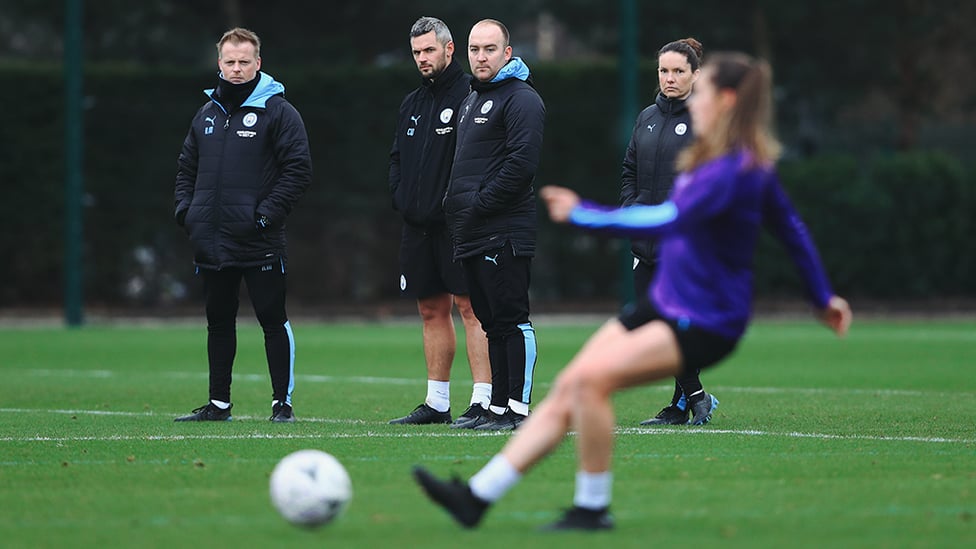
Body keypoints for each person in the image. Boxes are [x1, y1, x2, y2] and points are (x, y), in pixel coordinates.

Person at [413, 52, 852, 531]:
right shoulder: (718, 158)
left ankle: (591, 507)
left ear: (725, 100)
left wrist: (586, 215)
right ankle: (476, 497)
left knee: (591, 385)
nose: (690, 95)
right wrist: (823, 297)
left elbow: (669, 218)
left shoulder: (735, 169)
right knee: (571, 384)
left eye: (700, 89)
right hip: (664, 303)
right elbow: (792, 228)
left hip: (705, 320)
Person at [173, 27, 312, 423]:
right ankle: (219, 404)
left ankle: (281, 404)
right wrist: (188, 212)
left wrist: (265, 216)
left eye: (244, 62)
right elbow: (186, 169)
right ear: (219, 64)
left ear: (258, 64)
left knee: (272, 319)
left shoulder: (279, 112)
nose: (236, 69)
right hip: (212, 242)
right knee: (218, 323)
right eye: (230, 62)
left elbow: (298, 171)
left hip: (259, 240)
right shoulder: (205, 114)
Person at [440, 19, 546, 431]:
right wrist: (455, 207)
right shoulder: (471, 98)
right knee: (490, 322)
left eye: (489, 49)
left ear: (507, 53)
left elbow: (521, 166)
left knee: (512, 318)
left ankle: (518, 410)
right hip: (471, 230)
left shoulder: (522, 99)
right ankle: (497, 408)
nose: (480, 57)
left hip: (504, 230)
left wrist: (480, 204)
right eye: (474, 49)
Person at [387, 16, 492, 426]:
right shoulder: (412, 102)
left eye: (429, 50)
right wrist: (401, 197)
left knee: (470, 307)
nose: (422, 59)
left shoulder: (471, 95)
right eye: (416, 52)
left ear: (449, 50)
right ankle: (437, 403)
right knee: (431, 309)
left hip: (458, 225)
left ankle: (483, 400)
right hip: (417, 226)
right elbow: (397, 157)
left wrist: (460, 206)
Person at [620, 38, 718, 426]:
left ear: (696, 74)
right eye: (664, 71)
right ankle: (694, 398)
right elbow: (629, 170)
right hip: (645, 243)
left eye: (679, 71)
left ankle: (688, 400)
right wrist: (631, 209)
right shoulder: (645, 117)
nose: (670, 78)